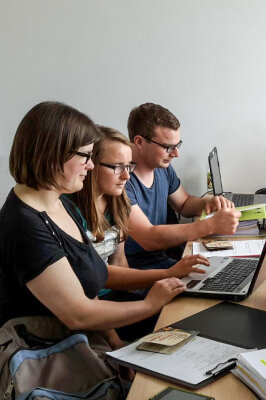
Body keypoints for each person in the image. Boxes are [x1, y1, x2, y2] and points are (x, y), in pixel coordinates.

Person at [0, 101, 186, 349]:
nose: (90, 165)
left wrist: (167, 275)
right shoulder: (24, 224)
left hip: (82, 340)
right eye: (86, 156)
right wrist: (149, 304)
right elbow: (79, 314)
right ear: (54, 154)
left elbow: (95, 274)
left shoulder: (59, 205)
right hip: (47, 354)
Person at [70, 126, 209, 294]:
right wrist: (166, 276)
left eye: (128, 166)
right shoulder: (70, 212)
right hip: (92, 300)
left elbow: (120, 263)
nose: (126, 176)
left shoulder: (117, 201)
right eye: (117, 167)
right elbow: (92, 278)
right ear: (92, 166)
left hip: (117, 293)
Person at [125, 103, 241, 271]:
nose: (176, 153)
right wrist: (210, 226)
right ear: (139, 142)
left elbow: (184, 203)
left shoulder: (161, 166)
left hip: (165, 261)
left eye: (177, 145)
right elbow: (148, 238)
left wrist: (209, 203)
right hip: (139, 272)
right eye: (168, 147)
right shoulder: (121, 180)